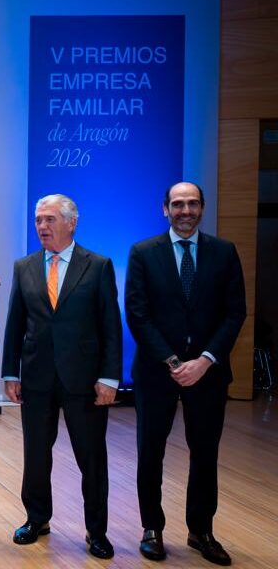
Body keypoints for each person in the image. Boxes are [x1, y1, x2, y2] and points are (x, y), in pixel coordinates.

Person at [126, 182, 245, 566]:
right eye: (178, 204)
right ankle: (152, 528)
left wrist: (205, 359)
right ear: (165, 209)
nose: (185, 210)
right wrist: (174, 363)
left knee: (205, 453)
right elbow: (138, 314)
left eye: (192, 203)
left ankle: (201, 531)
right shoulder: (143, 252)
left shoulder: (224, 253)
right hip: (158, 372)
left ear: (203, 208)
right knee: (151, 452)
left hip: (209, 372)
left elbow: (234, 313)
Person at [2, 194, 121, 559]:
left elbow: (110, 327)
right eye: (39, 220)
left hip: (84, 380)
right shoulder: (25, 267)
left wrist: (110, 378)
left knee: (91, 458)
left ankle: (96, 531)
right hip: (37, 377)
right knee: (36, 454)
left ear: (72, 222)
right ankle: (37, 519)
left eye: (50, 219)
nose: (42, 227)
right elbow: (15, 323)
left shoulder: (98, 265)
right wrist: (10, 371)